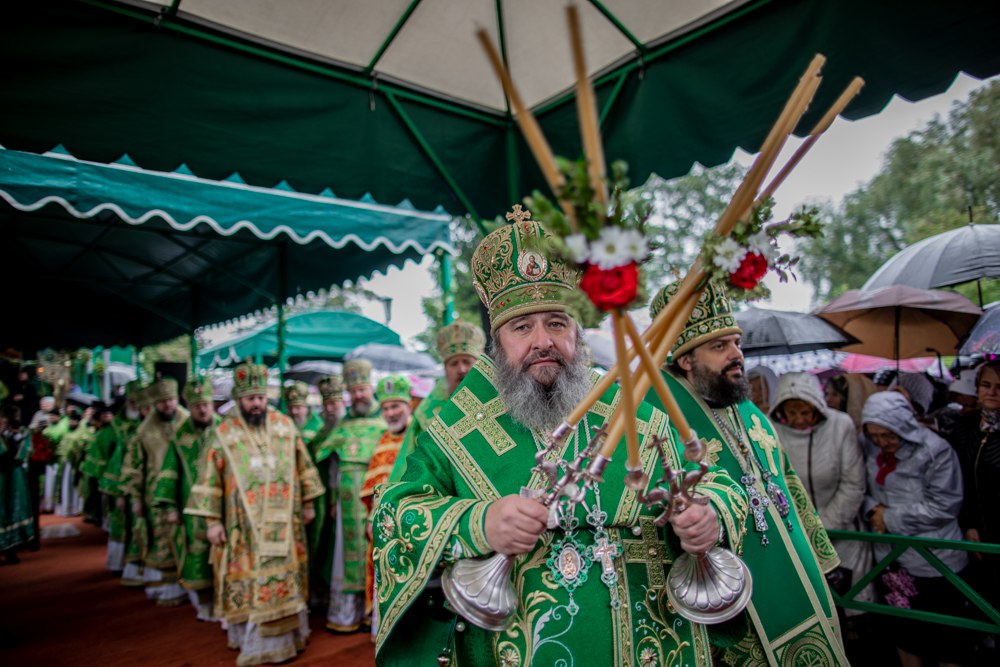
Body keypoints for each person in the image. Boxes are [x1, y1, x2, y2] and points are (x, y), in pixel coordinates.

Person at [373, 216, 744, 666]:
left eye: (556, 323)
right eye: (522, 328)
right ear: (497, 342)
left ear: (577, 333)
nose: (542, 341)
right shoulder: (454, 426)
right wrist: (479, 521)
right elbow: (395, 513)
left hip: (650, 643)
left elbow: (717, 482)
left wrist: (710, 515)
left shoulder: (630, 408)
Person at [646, 279, 848, 666]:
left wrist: (821, 563)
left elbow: (786, 485)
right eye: (719, 347)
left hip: (799, 581)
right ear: (686, 359)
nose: (736, 355)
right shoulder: (657, 418)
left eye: (736, 342)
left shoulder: (749, 412)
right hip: (728, 604)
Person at [185, 360, 324, 666]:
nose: (258, 404)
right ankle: (256, 643)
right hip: (243, 526)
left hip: (286, 523)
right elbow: (208, 478)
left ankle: (291, 638)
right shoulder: (224, 433)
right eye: (251, 399)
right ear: (238, 398)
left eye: (261, 397)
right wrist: (212, 521)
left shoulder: (285, 426)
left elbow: (304, 466)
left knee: (287, 579)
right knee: (250, 581)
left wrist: (309, 503)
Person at [861, 390, 971, 667]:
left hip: (936, 561)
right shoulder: (872, 448)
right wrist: (873, 511)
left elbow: (944, 506)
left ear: (903, 425)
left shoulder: (936, 450)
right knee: (906, 633)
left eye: (888, 434)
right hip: (892, 560)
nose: (881, 442)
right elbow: (864, 487)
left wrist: (890, 518)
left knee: (947, 637)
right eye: (874, 435)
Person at [769, 372, 873, 621]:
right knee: (810, 613)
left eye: (806, 412)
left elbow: (853, 483)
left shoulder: (841, 425)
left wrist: (821, 528)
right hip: (796, 539)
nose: (799, 420)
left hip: (843, 534)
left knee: (853, 613)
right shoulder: (770, 430)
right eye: (792, 413)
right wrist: (798, 530)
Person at [324, 358, 386, 633]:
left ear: (370, 387)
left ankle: (372, 612)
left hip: (376, 494)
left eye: (362, 389)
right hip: (347, 496)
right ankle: (348, 613)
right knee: (347, 553)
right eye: (354, 391)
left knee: (375, 549)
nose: (359, 395)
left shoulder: (386, 417)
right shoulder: (343, 423)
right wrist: (334, 496)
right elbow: (330, 460)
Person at [387, 318, 485, 484]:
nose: (461, 369)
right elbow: (409, 463)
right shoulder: (426, 413)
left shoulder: (500, 399)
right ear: (445, 369)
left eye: (467, 362)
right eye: (454, 363)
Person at [154, 376, 221, 621]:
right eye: (196, 406)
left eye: (205, 403)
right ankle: (204, 602)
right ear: (189, 407)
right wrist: (171, 505)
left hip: (222, 505)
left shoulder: (226, 429)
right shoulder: (180, 437)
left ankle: (225, 601)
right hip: (191, 508)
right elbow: (170, 472)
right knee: (198, 553)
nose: (202, 409)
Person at [121, 376, 189, 605]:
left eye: (170, 400)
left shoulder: (187, 422)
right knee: (161, 537)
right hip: (155, 494)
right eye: (162, 402)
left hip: (185, 492)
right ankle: (166, 587)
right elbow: (134, 467)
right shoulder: (144, 431)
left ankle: (189, 584)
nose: (168, 405)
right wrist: (135, 498)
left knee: (187, 538)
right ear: (155, 404)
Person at [358, 374, 413, 637]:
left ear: (408, 406)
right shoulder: (381, 440)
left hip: (410, 522)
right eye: (386, 408)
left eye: (396, 406)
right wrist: (370, 520)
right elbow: (371, 487)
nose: (391, 413)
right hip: (382, 524)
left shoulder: (418, 436)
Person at [950, 360, 1000, 607]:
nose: (992, 392)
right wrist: (969, 524)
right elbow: (961, 479)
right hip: (975, 528)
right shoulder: (965, 425)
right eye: (985, 385)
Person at [303, 374, 345, 609]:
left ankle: (333, 593)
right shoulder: (318, 434)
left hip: (342, 497)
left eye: (335, 404)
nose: (330, 409)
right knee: (319, 543)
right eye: (327, 404)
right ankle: (319, 590)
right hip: (320, 498)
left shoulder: (349, 427)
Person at [101, 381, 148, 587]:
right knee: (124, 523)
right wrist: (119, 491)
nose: (136, 405)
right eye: (133, 401)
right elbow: (118, 460)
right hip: (125, 483)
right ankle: (122, 564)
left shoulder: (151, 426)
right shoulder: (119, 427)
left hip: (148, 486)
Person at [0, 406, 34, 564]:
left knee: (13, 509)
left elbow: (24, 452)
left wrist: (14, 439)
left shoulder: (21, 432)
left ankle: (11, 549)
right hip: (3, 477)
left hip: (13, 478)